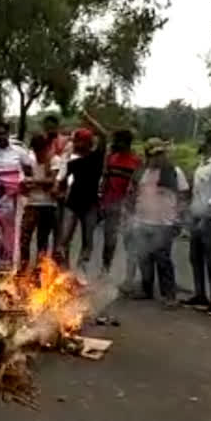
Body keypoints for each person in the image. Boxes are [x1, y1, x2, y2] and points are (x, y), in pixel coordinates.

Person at [127, 138, 189, 307]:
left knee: (163, 259)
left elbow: (183, 196)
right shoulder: (142, 172)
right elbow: (133, 194)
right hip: (142, 221)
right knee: (144, 257)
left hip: (164, 223)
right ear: (148, 155)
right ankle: (146, 290)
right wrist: (131, 216)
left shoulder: (174, 171)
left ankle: (170, 295)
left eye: (161, 154)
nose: (159, 158)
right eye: (155, 154)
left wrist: (178, 219)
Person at [182, 129, 211, 316]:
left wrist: (205, 217)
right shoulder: (203, 164)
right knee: (195, 258)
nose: (201, 143)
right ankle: (200, 294)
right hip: (197, 215)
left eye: (205, 141)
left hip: (209, 218)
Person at [54, 111, 107, 272]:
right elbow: (61, 181)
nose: (76, 144)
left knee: (88, 241)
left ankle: (81, 269)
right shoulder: (73, 162)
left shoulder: (97, 157)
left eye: (79, 141)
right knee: (63, 240)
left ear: (88, 143)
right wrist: (57, 190)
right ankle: (64, 271)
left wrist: (89, 119)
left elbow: (104, 135)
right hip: (72, 203)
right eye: (75, 141)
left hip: (90, 205)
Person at [100, 129, 142, 277]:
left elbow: (138, 186)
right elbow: (105, 180)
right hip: (111, 204)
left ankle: (129, 276)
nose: (115, 144)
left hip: (128, 207)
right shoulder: (111, 158)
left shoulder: (136, 161)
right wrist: (102, 201)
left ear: (126, 143)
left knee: (129, 241)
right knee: (109, 240)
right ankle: (105, 270)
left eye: (118, 141)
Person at [19, 134, 61, 271]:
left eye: (40, 150)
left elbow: (52, 181)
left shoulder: (55, 160)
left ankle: (38, 271)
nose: (38, 154)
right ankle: (23, 267)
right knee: (24, 239)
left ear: (46, 149)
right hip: (32, 204)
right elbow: (25, 181)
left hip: (48, 206)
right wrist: (32, 183)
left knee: (42, 242)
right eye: (36, 151)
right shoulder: (30, 160)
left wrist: (34, 182)